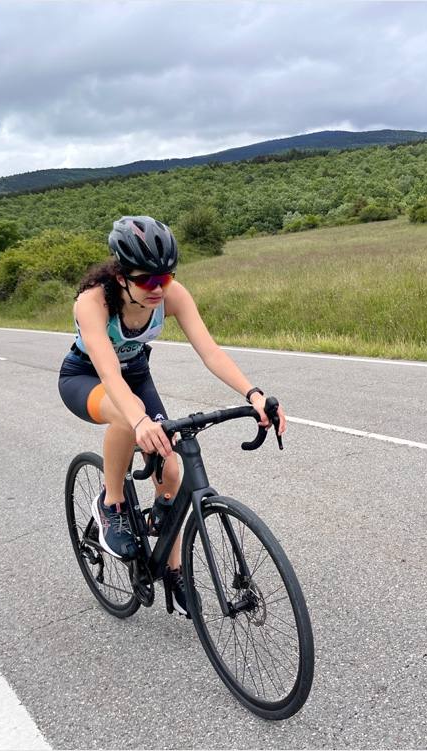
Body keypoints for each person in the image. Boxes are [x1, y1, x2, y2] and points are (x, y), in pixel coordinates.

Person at [58, 215, 286, 617]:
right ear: (120, 274)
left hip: (138, 377)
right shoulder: (92, 301)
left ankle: (172, 566)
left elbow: (210, 351)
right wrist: (141, 421)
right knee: (129, 418)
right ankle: (112, 505)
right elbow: (110, 374)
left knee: (173, 474)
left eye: (165, 278)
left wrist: (252, 392)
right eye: (146, 279)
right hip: (86, 378)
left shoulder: (170, 293)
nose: (157, 289)